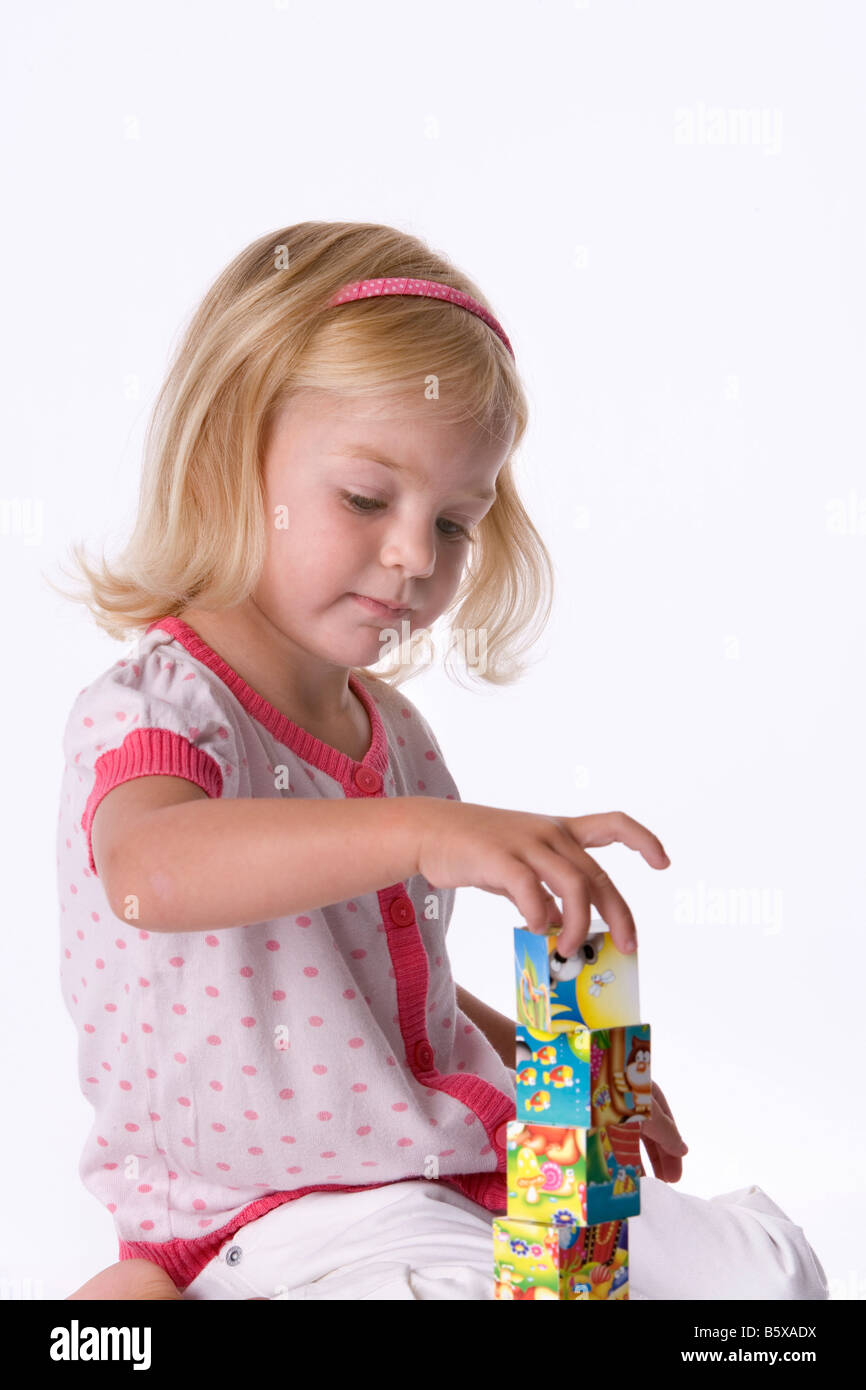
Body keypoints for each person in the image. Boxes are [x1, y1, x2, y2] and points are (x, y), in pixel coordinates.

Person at [52, 221, 827, 1301]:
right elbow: (148, 870)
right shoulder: (162, 707)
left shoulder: (395, 735)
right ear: (232, 459)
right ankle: (138, 1300)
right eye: (366, 500)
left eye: (455, 521)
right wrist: (424, 833)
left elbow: (376, 994)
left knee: (765, 1278)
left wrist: (565, 1081)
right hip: (280, 1204)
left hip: (453, 1160)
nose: (415, 555)